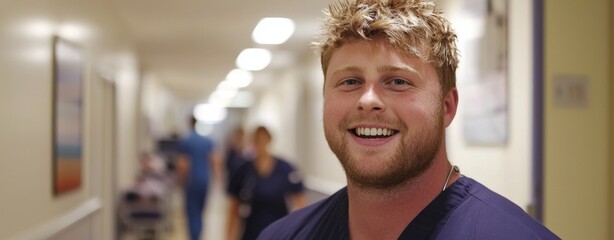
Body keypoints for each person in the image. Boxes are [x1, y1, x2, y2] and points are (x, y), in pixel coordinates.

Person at [258, 0, 560, 239]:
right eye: (350, 82)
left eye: (398, 82)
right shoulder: (283, 235)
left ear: (447, 107)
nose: (368, 100)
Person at [227, 126, 306, 240]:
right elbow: (234, 207)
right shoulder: (243, 170)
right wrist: (229, 236)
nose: (260, 143)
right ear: (252, 141)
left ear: (269, 140)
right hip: (252, 233)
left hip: (279, 232)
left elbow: (300, 202)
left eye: (263, 139)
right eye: (257, 139)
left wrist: (298, 230)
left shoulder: (285, 169)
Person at [176, 116, 222, 240]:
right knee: (201, 211)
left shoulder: (186, 141)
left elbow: (183, 164)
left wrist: (180, 180)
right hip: (204, 180)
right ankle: (198, 234)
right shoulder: (207, 141)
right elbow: (215, 161)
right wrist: (218, 180)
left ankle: (194, 236)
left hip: (191, 182)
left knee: (192, 211)